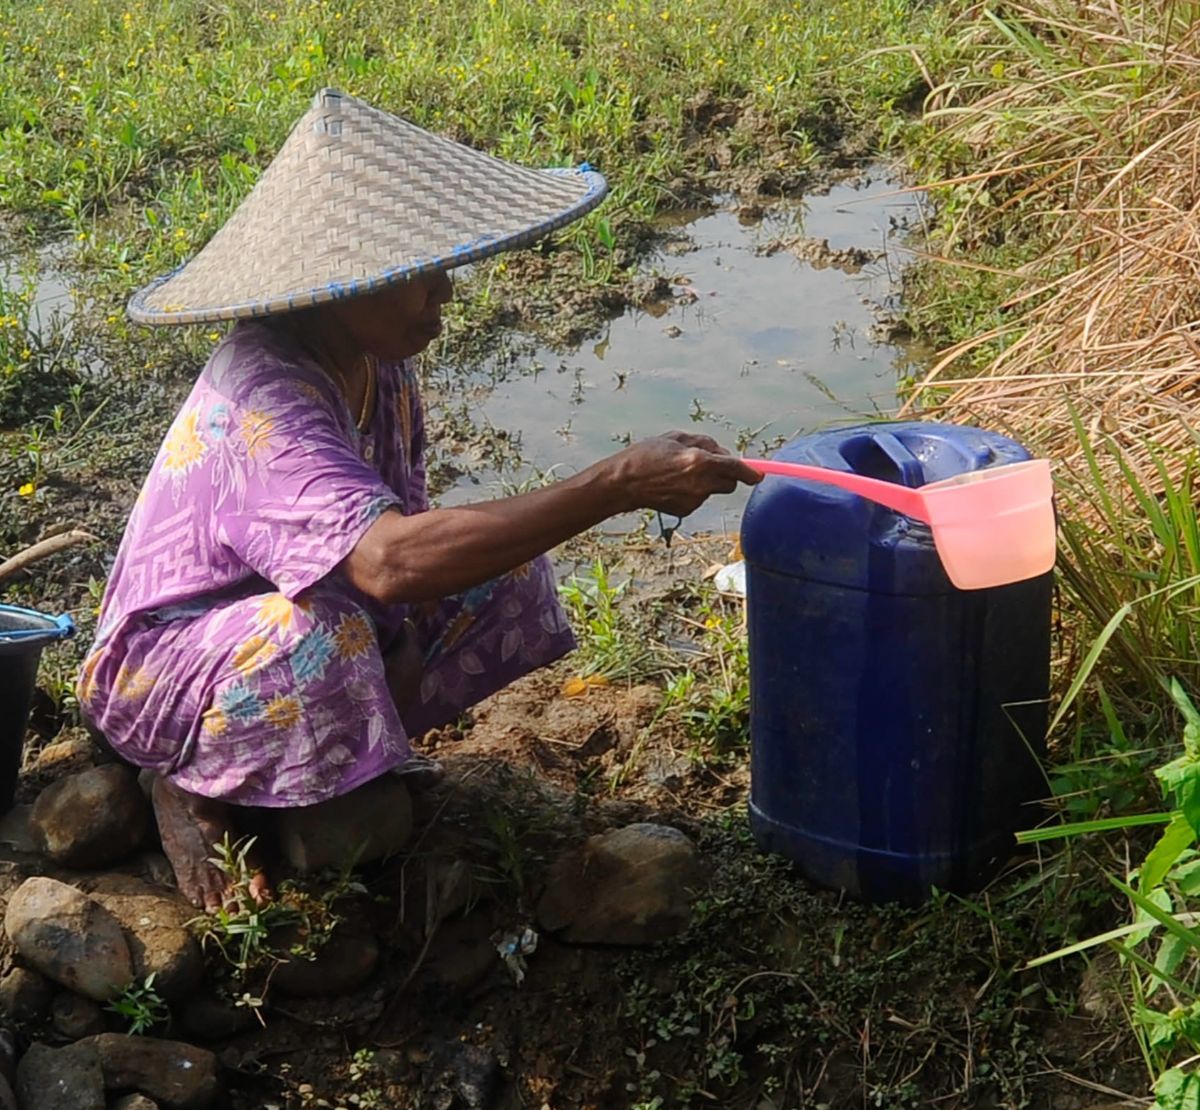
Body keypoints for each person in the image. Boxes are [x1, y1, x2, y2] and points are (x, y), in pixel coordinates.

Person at [79, 88, 759, 909]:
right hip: (168, 668)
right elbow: (388, 561)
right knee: (323, 639)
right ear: (337, 283)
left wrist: (394, 634)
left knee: (510, 572)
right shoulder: (265, 397)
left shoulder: (380, 368)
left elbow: (403, 528)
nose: (445, 292)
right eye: (419, 273)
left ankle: (349, 768)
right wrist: (614, 483)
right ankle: (190, 786)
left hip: (305, 610)